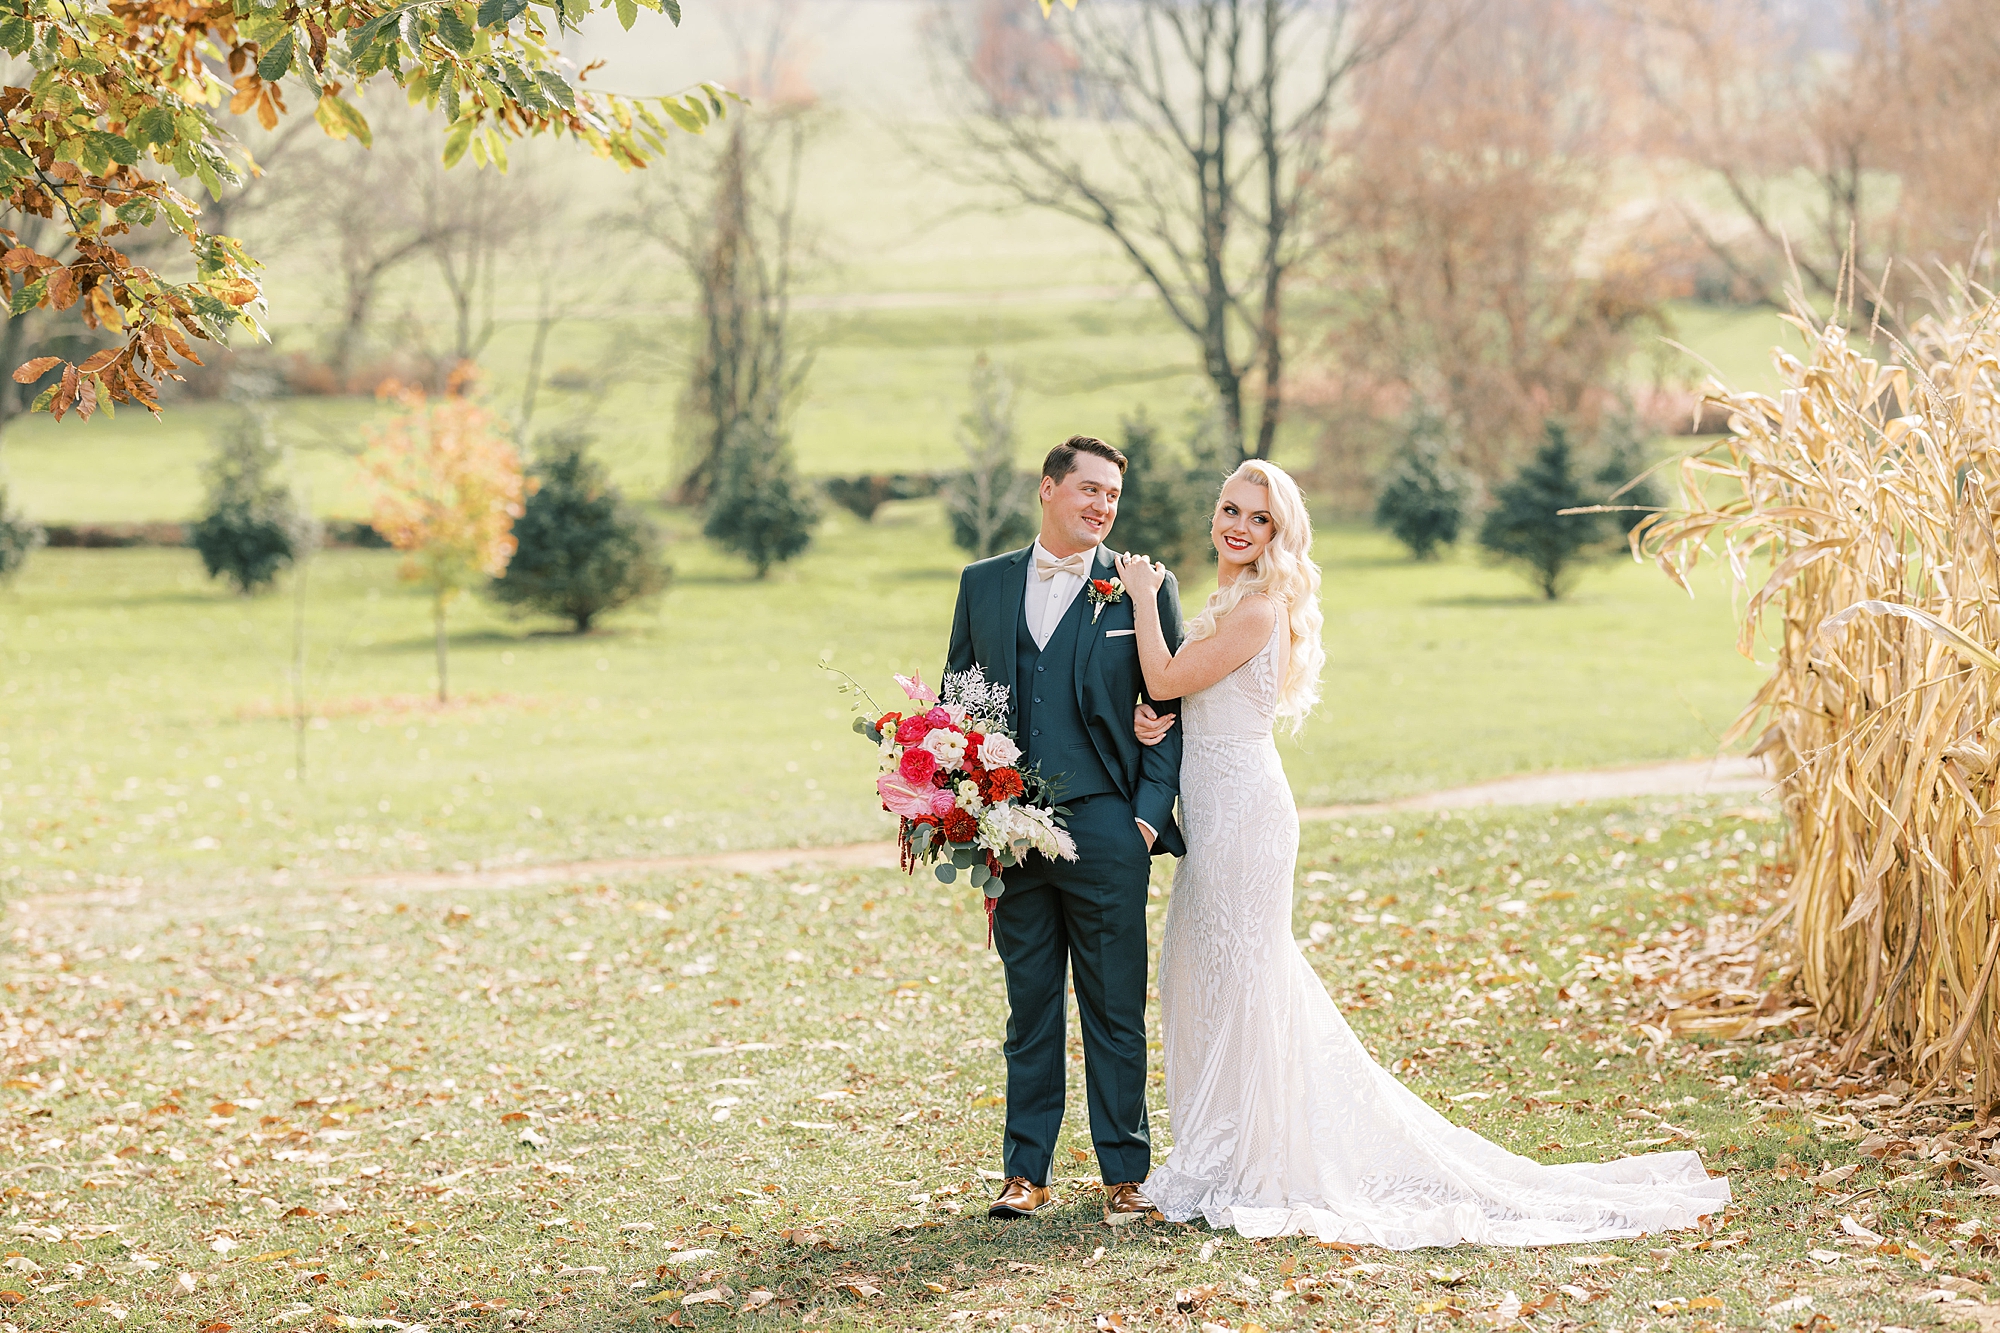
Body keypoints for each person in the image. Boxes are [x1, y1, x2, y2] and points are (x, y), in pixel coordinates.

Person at [1111, 459, 1731, 1247]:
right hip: (1218, 808)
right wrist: (1154, 724)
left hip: (1245, 815)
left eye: (1257, 518)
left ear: (1279, 534)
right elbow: (1184, 699)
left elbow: (1164, 673)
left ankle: (1254, 1160)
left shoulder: (1259, 608)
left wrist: (1139, 595)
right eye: (1230, 508)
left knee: (1247, 976)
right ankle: (1222, 1148)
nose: (1237, 525)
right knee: (1211, 973)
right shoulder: (1231, 600)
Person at [944, 435, 1186, 1225]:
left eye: (1112, 495)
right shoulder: (982, 585)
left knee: (1115, 1007)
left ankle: (1126, 1174)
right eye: (1087, 489)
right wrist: (968, 813)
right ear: (1047, 489)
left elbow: (1172, 706)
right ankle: (1026, 1173)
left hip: (1112, 830)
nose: (1101, 505)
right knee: (1031, 1007)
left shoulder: (1142, 587)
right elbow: (957, 703)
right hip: (1009, 836)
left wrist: (1146, 820)